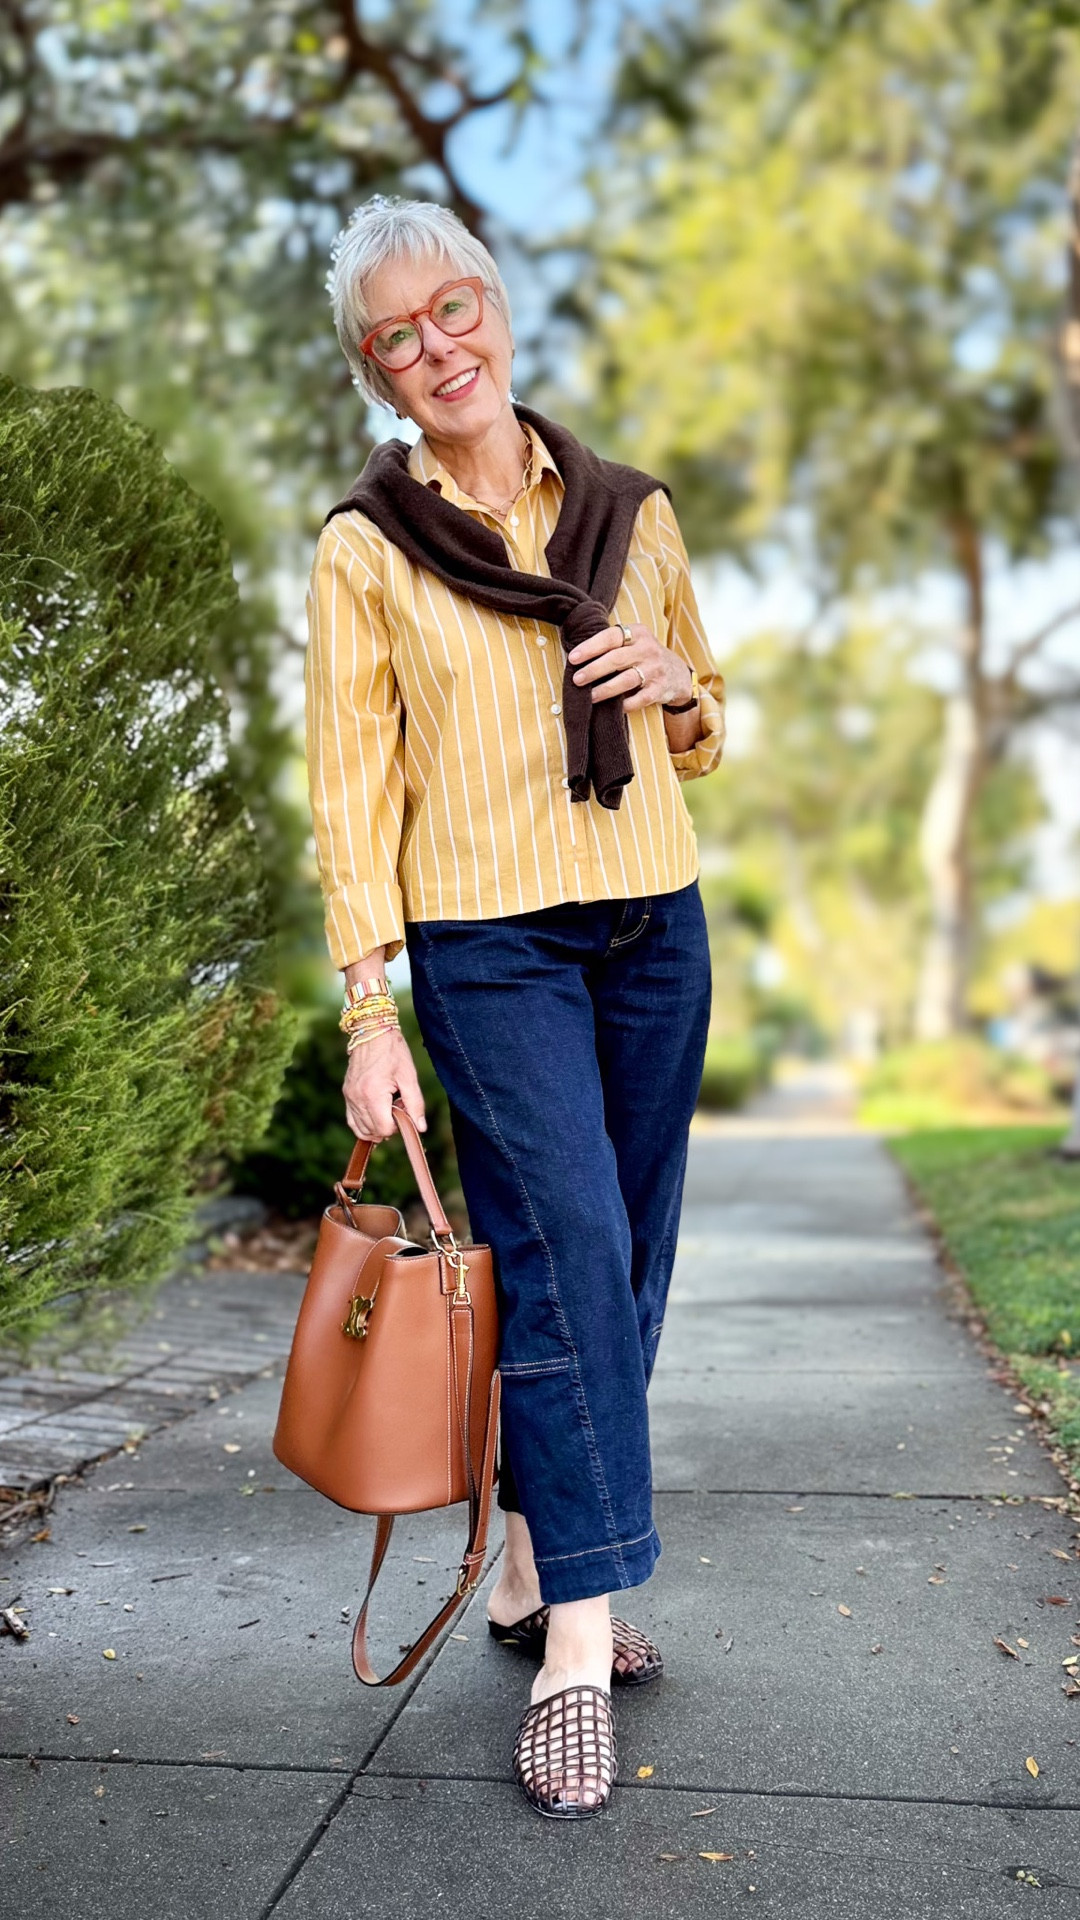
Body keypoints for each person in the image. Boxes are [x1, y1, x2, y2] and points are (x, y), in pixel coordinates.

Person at [306, 194, 725, 1818]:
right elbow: (355, 792)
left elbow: (706, 717)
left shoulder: (633, 513)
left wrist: (679, 688)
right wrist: (366, 1014)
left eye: (453, 308)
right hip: (490, 946)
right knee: (563, 1261)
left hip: (653, 922)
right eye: (397, 337)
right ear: (376, 371)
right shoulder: (368, 547)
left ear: (494, 303)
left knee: (624, 1260)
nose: (438, 348)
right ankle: (576, 1648)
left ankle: (537, 1558)